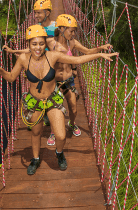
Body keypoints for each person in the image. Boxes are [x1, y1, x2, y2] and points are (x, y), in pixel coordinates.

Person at [0, 25, 118, 175]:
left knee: (61, 135)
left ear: (46, 43)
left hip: (52, 100)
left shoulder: (53, 56)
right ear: (28, 44)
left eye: (41, 43)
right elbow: (11, 77)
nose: (38, 47)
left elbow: (78, 58)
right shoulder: (23, 59)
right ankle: (36, 159)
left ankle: (59, 153)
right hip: (34, 102)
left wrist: (99, 55)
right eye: (34, 44)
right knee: (36, 133)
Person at [46, 14, 113, 146]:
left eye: (74, 31)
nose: (73, 33)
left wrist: (100, 48)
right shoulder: (51, 43)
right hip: (55, 82)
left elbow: (87, 51)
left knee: (74, 109)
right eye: (71, 31)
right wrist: (16, 52)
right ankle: (53, 132)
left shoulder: (72, 43)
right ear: (61, 29)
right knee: (55, 109)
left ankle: (71, 123)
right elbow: (35, 48)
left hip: (69, 81)